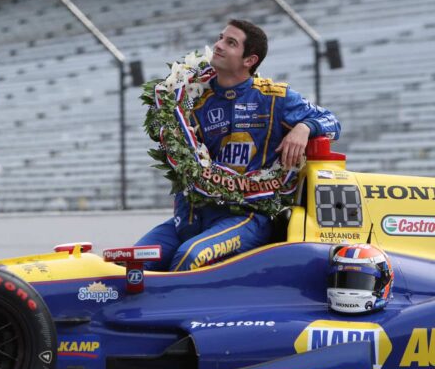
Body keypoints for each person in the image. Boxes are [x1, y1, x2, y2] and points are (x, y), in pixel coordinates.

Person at [136, 19, 341, 271]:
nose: (218, 45)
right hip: (191, 217)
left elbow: (332, 121)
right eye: (220, 37)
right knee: (130, 261)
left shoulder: (274, 97)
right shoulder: (192, 99)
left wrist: (305, 127)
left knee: (190, 257)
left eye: (230, 43)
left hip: (246, 216)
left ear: (249, 60)